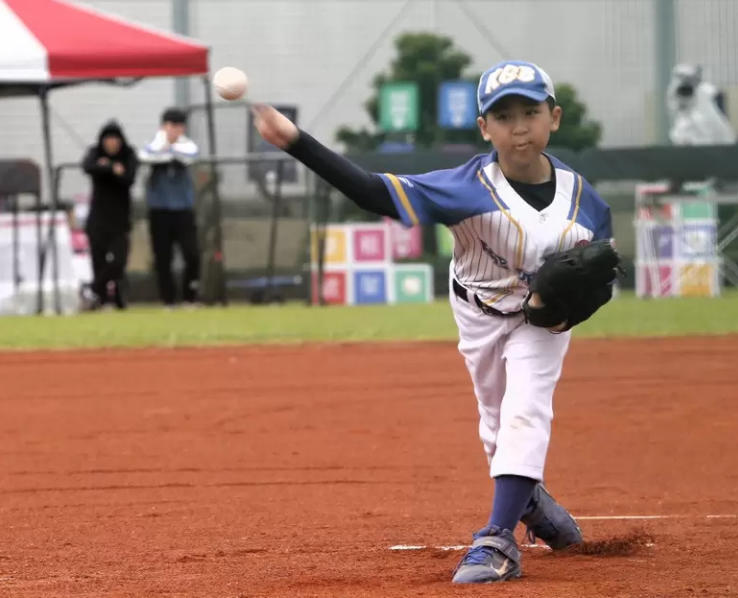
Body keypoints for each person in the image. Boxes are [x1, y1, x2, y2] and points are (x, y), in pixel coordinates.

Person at [252, 60, 614, 584]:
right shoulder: (463, 188)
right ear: (484, 128)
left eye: (530, 113)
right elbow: (372, 192)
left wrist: (558, 315)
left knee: (525, 412)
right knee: (496, 430)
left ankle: (496, 541)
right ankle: (531, 503)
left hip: (539, 327)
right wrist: (296, 142)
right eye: (503, 115)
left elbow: (599, 282)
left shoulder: (586, 205)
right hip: (478, 313)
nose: (518, 127)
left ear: (553, 118)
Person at [138, 108, 201, 307]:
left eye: (179, 126)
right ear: (164, 126)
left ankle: (189, 297)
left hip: (183, 209)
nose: (175, 130)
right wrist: (166, 150)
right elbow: (146, 155)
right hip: (160, 210)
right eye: (171, 125)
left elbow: (191, 156)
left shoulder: (187, 144)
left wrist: (169, 152)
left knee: (191, 254)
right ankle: (168, 300)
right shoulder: (155, 143)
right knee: (163, 257)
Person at [81, 120, 139, 310]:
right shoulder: (94, 153)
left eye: (115, 139)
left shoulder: (129, 154)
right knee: (98, 260)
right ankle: (103, 300)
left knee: (118, 261)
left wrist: (111, 168)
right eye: (108, 139)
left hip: (120, 220)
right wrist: (110, 168)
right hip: (97, 219)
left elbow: (128, 178)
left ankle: (93, 289)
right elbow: (88, 166)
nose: (112, 143)